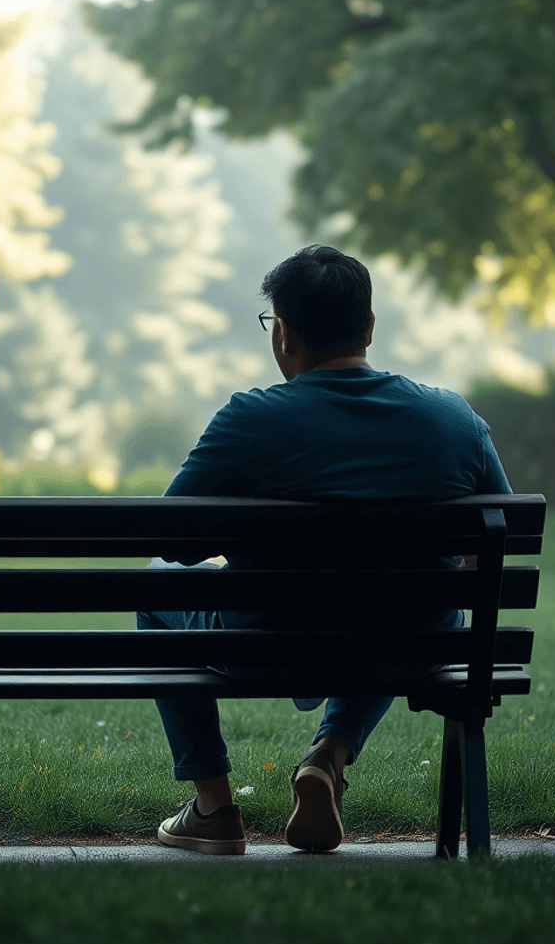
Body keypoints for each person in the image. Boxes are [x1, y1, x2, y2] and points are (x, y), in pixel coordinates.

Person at [138, 245, 512, 855]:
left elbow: (171, 543)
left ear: (283, 335)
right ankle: (330, 752)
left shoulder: (250, 419)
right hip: (408, 647)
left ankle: (213, 809)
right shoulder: (451, 419)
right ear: (368, 326)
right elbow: (497, 544)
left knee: (155, 586)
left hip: (263, 644)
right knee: (411, 608)